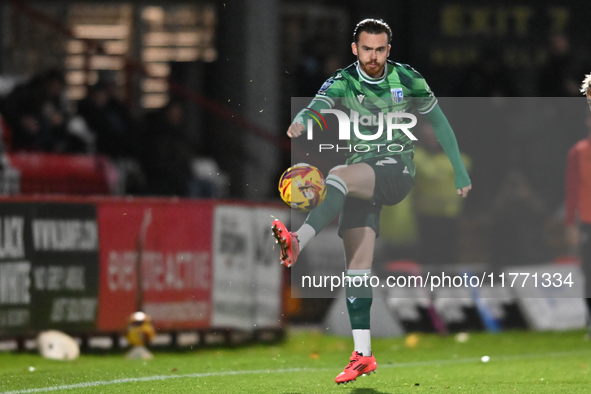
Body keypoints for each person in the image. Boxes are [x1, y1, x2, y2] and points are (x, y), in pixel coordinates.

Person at [271, 19, 471, 384]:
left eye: (380, 49)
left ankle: (298, 239)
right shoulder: (343, 80)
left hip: (395, 171)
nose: (373, 56)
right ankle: (363, 354)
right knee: (357, 268)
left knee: (338, 177)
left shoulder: (409, 79)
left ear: (388, 50)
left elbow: (439, 123)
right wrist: (302, 117)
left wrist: (459, 170)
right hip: (360, 181)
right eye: (367, 49)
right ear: (355, 49)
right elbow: (318, 103)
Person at [565, 73, 591, 323]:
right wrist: (570, 224)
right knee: (589, 273)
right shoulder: (578, 153)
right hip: (587, 221)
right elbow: (572, 189)